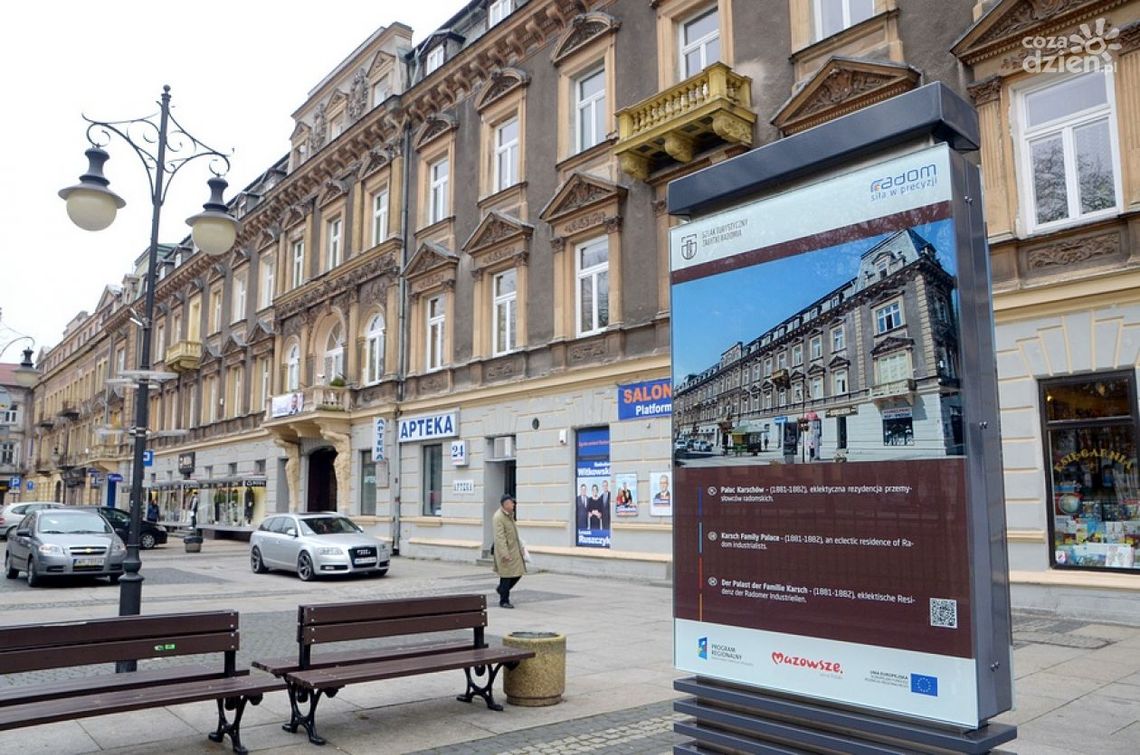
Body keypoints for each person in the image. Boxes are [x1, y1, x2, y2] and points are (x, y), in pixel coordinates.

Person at [492, 493, 525, 609]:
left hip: (514, 549)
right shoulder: (498, 517)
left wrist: (521, 548)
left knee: (518, 573)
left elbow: (515, 534)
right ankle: (504, 600)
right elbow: (499, 538)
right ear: (505, 504)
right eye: (511, 503)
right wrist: (504, 554)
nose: (514, 504)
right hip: (505, 551)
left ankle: (501, 590)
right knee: (506, 576)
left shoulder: (509, 515)